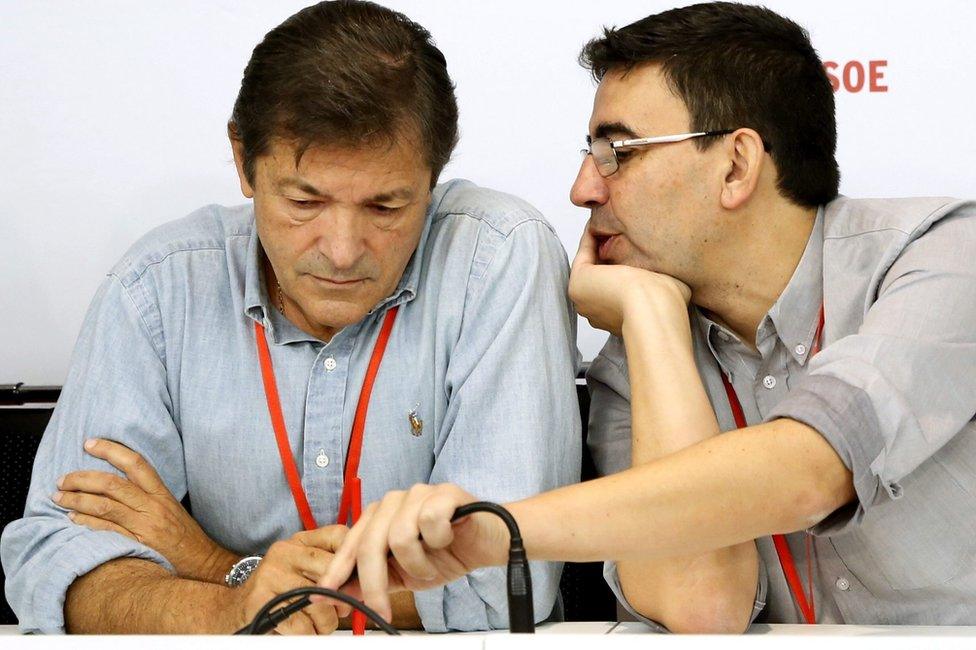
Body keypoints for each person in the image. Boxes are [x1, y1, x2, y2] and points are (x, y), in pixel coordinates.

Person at [317, 1, 976, 633]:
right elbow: (702, 608)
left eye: (618, 152)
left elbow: (813, 468)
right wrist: (650, 317)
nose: (582, 188)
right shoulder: (636, 352)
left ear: (736, 165)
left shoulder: (941, 254)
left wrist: (495, 532)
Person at [0, 0, 580, 635]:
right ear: (242, 160)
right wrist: (230, 609)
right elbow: (54, 563)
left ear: (435, 177)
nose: (341, 250)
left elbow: (501, 587)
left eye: (386, 207)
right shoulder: (160, 286)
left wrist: (215, 565)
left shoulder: (496, 258)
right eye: (304, 200)